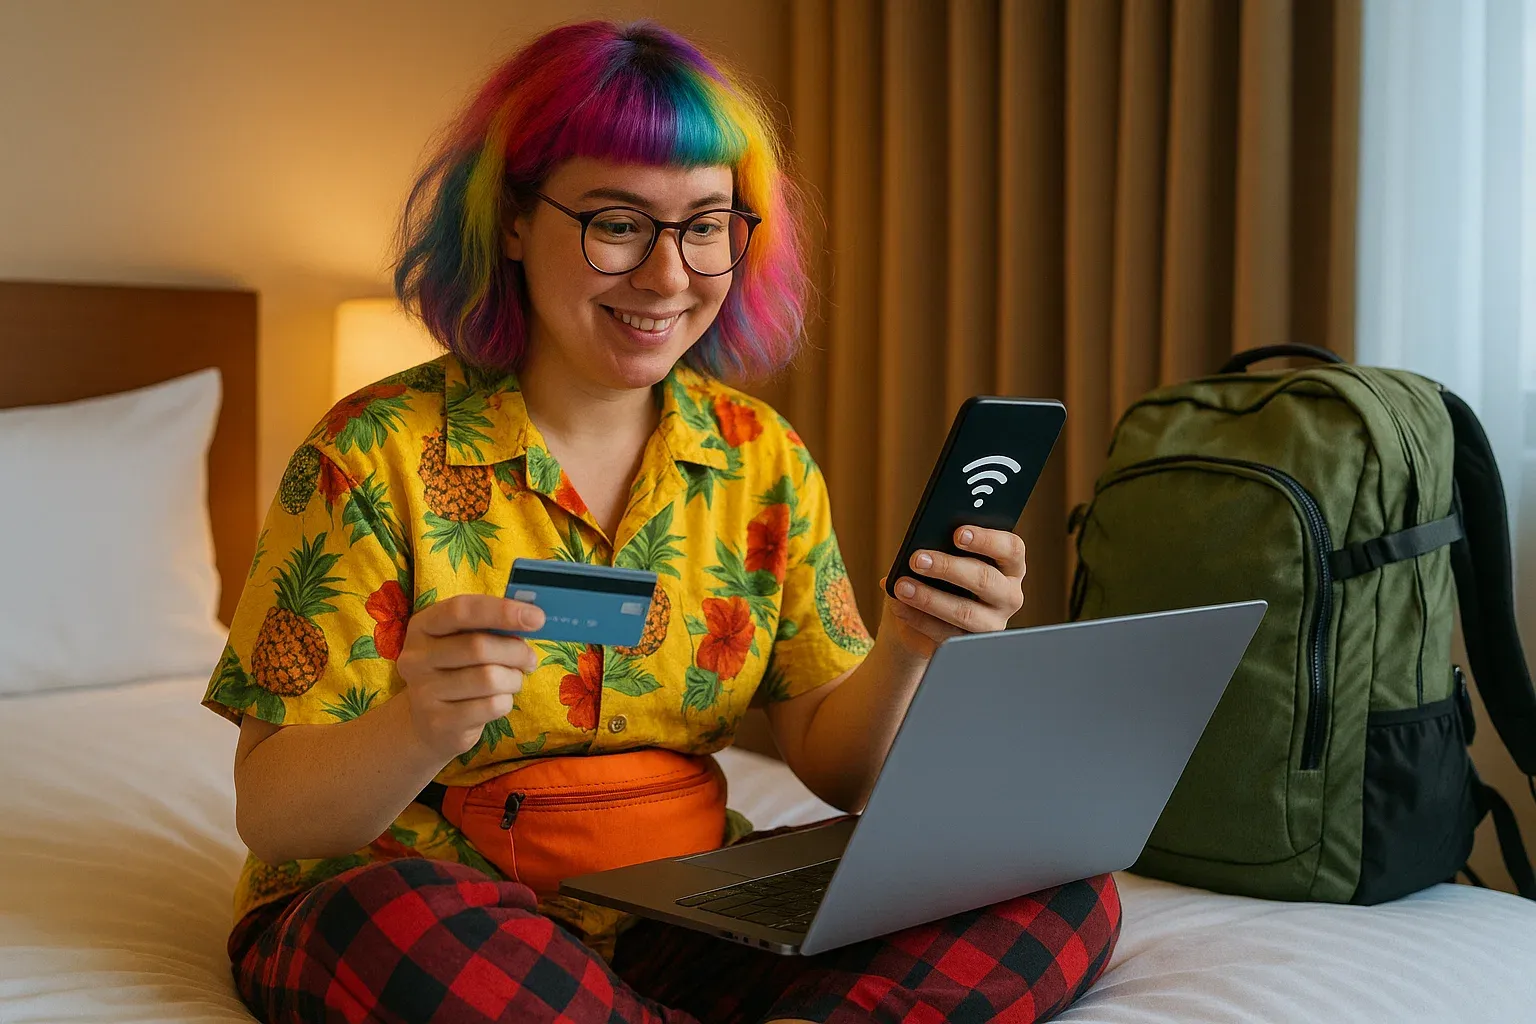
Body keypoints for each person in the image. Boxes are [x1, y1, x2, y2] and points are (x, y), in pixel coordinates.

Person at [204, 20, 1120, 1024]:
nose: (668, 277)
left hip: (680, 911)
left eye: (706, 224)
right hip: (435, 902)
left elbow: (837, 763)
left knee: (1051, 880)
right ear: (513, 218)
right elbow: (277, 815)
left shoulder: (759, 458)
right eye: (617, 223)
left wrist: (913, 641)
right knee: (386, 923)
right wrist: (418, 721)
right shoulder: (367, 454)